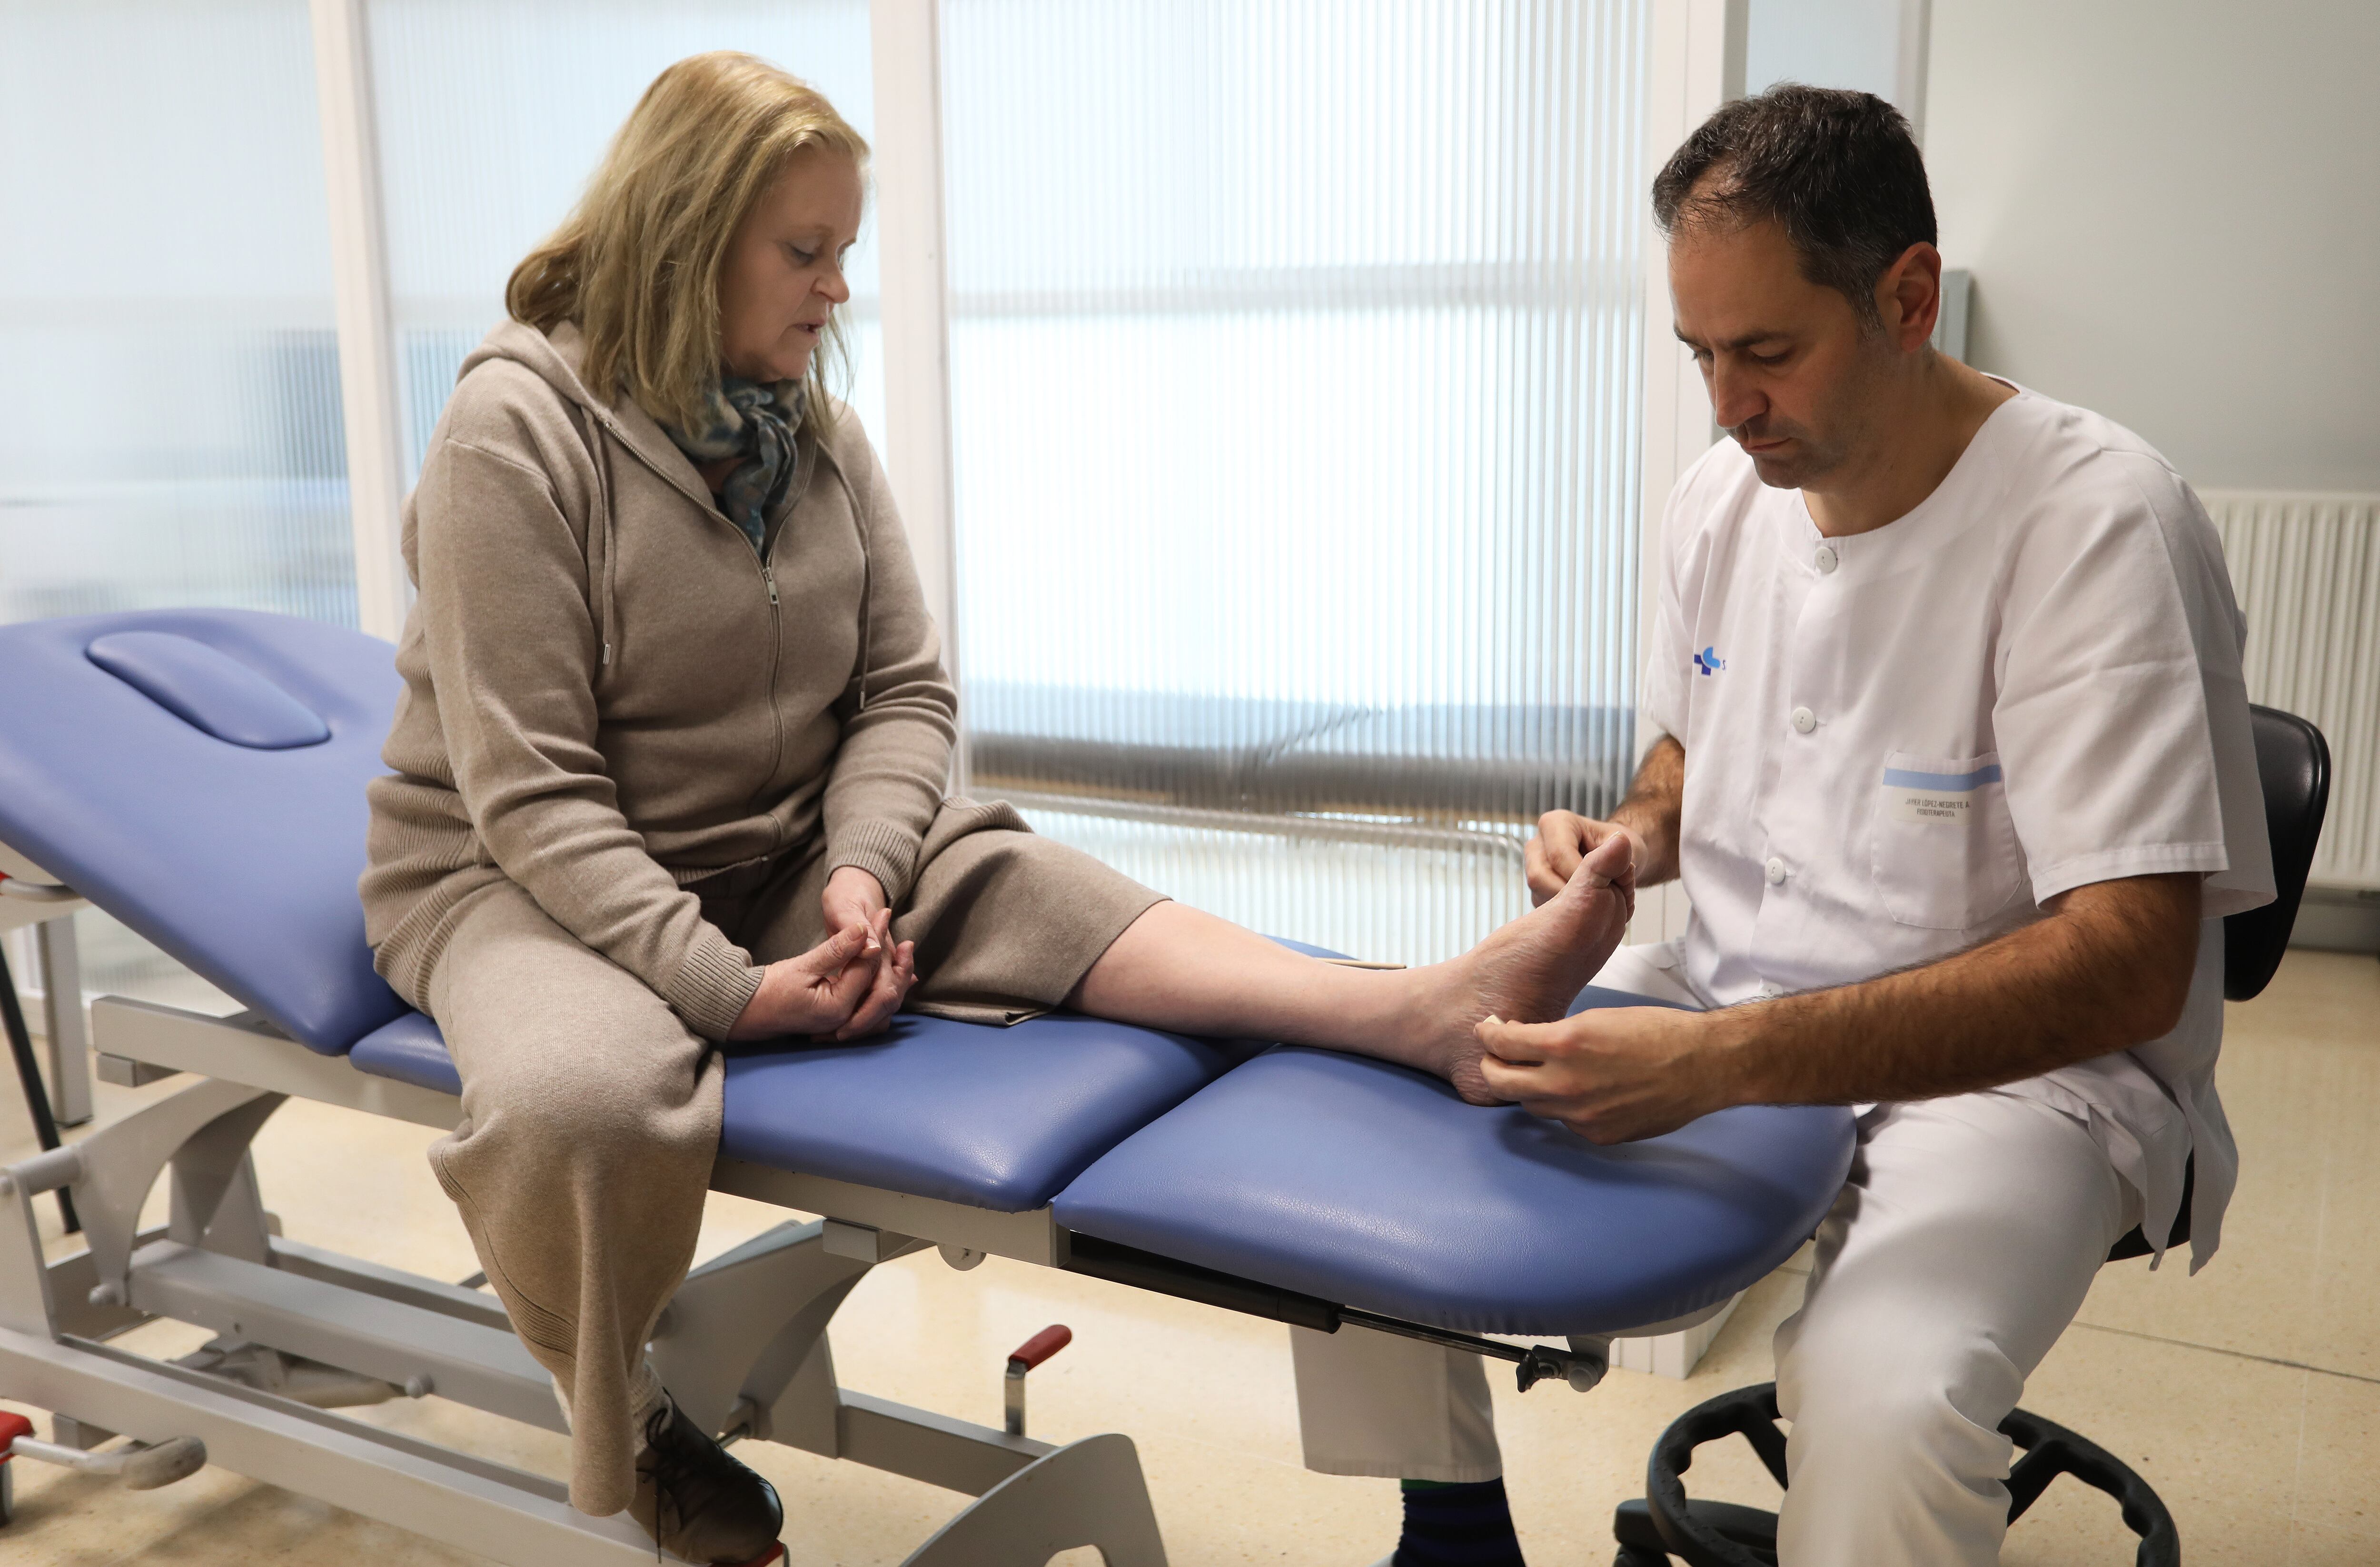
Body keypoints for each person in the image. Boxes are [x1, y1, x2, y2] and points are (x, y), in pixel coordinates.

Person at [357, 51, 1634, 1567]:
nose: (839, 290)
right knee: (584, 1095)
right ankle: (632, 1429)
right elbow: (535, 790)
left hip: (773, 851)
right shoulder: (516, 433)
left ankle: (1416, 1010)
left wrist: (858, 873)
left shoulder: (807, 432)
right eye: (806, 251)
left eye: (847, 250)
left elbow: (904, 695)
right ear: (688, 234)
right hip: (517, 878)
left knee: (1037, 886)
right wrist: (727, 993)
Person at [1310, 85, 2273, 1567]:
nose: (1727, 401)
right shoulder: (1724, 497)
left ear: (1908, 297)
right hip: (1727, 989)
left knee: (1881, 1403)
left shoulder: (2097, 527)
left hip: (2019, 1081)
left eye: (1767, 351)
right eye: (1701, 353)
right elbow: (1694, 754)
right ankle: (1451, 1523)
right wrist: (1626, 841)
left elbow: (2129, 968)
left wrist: (1723, 1061)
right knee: (1386, 1107)